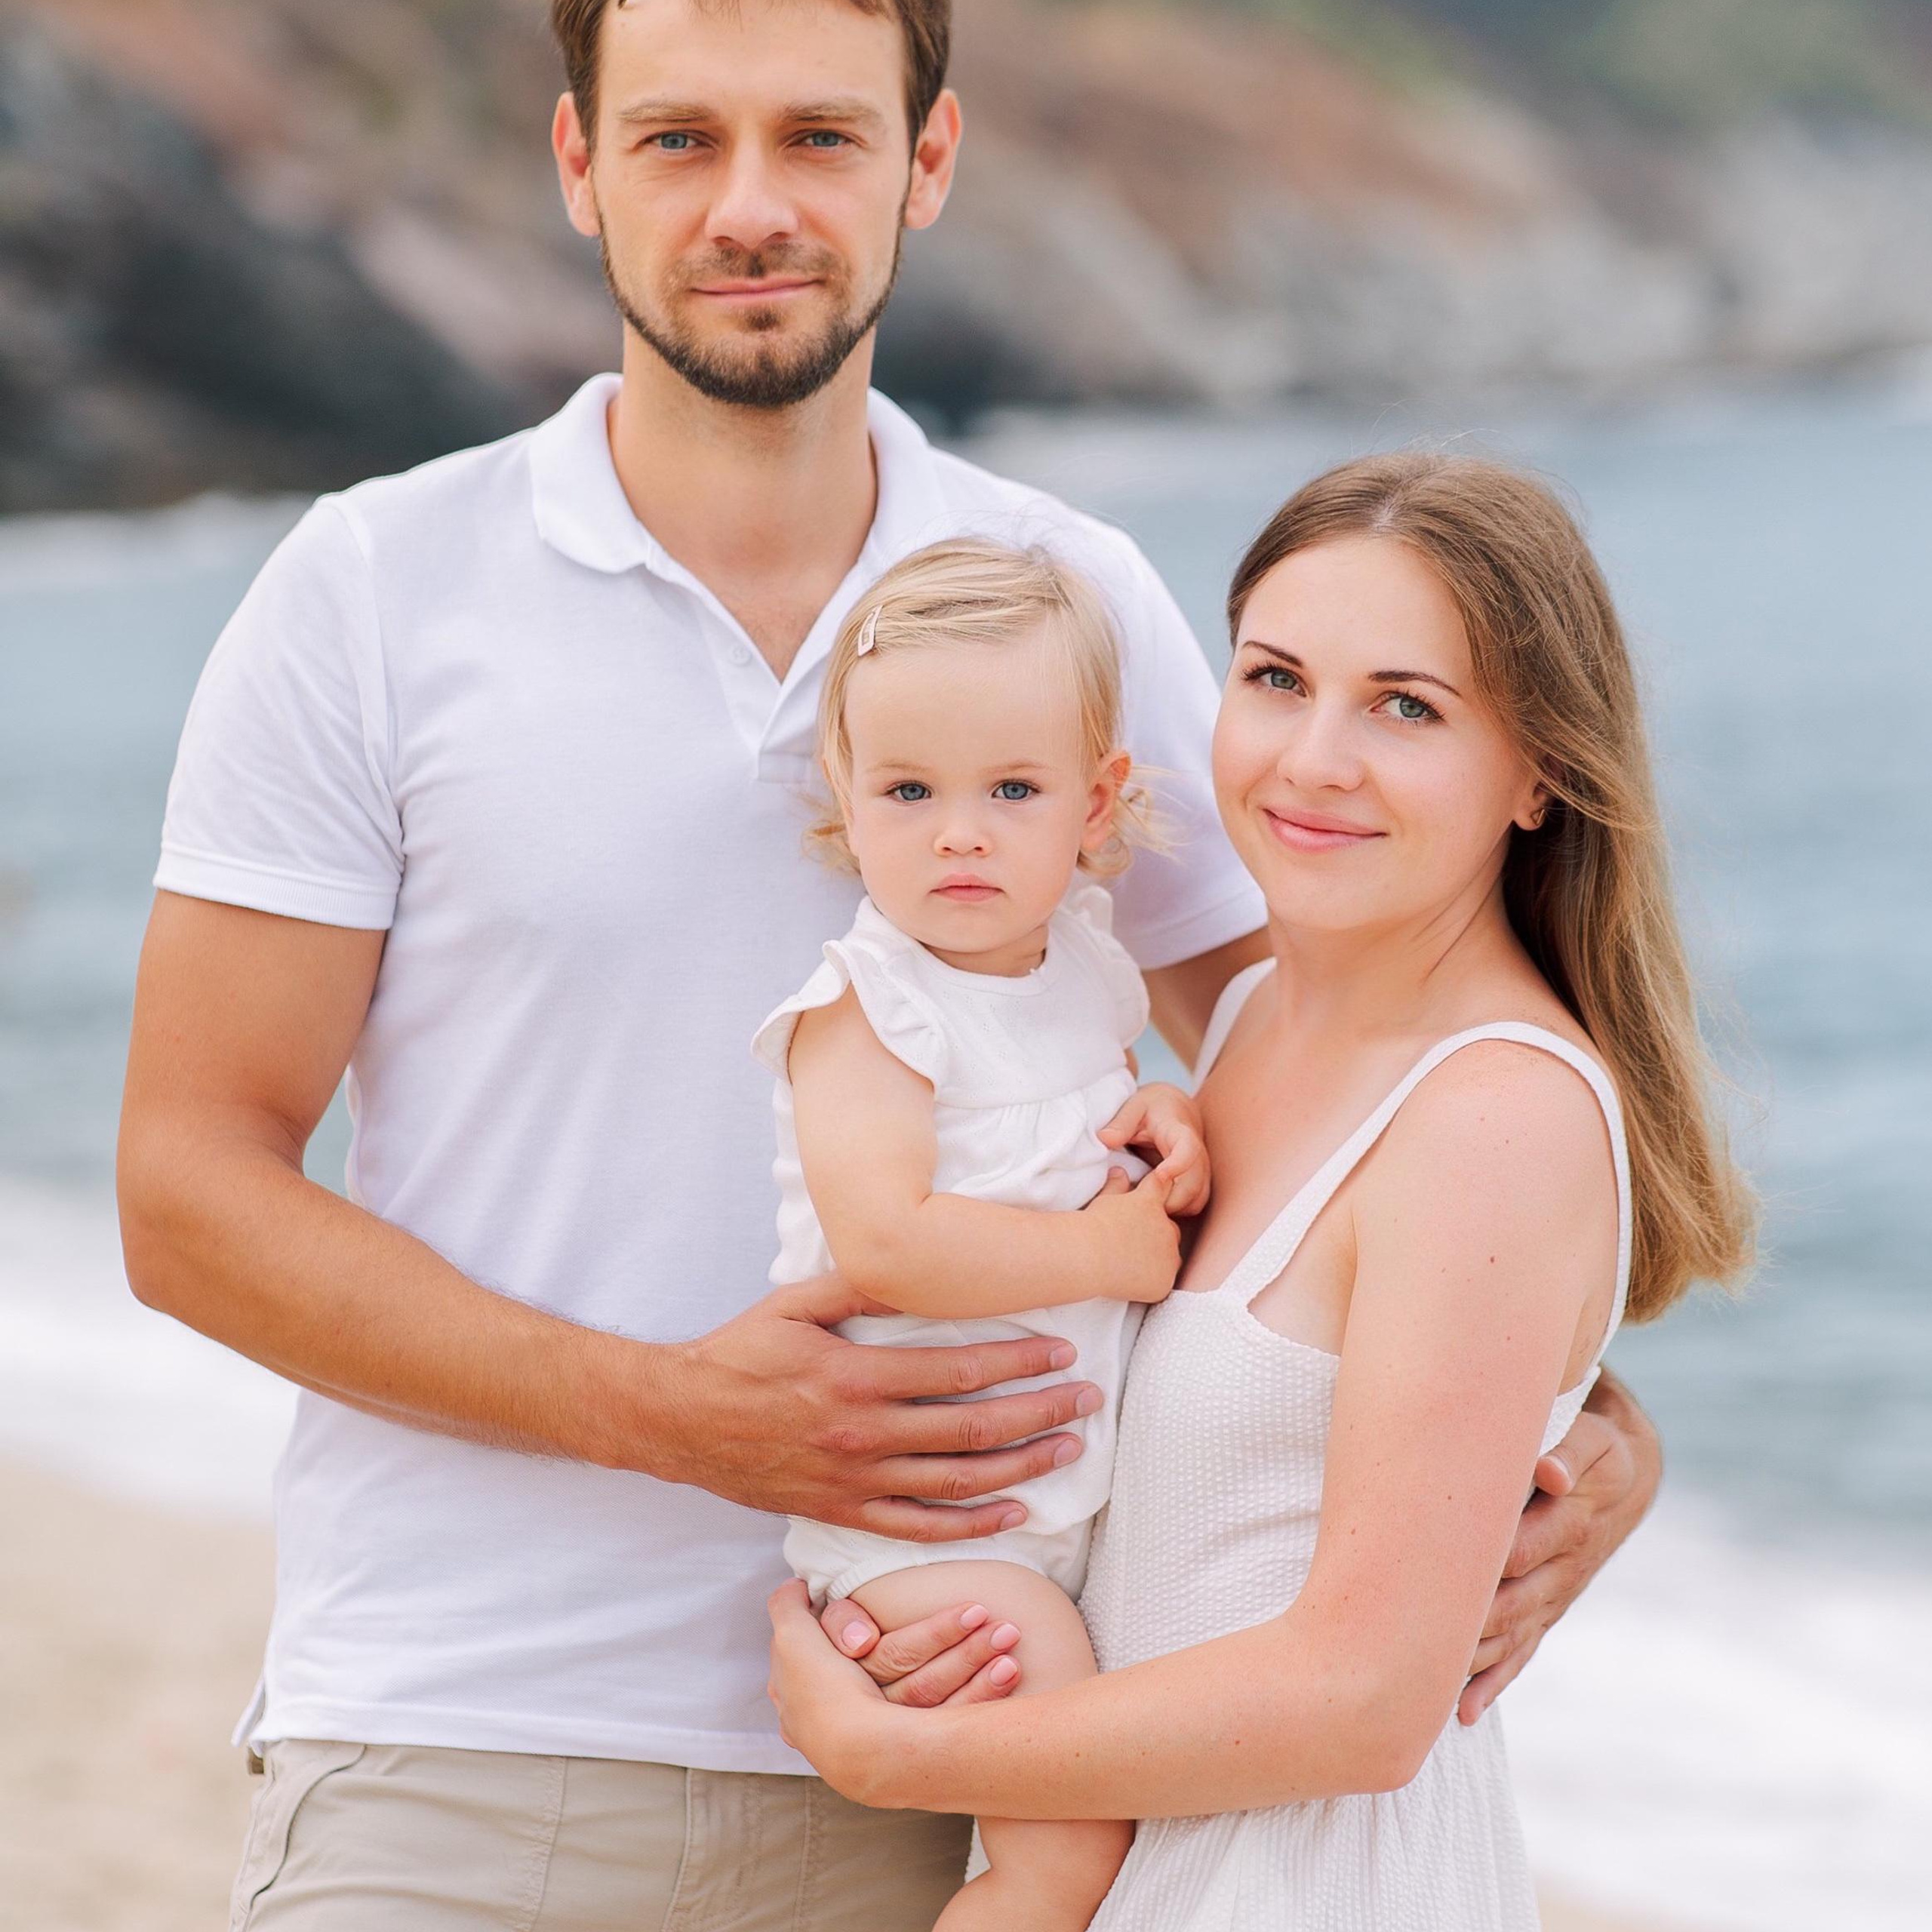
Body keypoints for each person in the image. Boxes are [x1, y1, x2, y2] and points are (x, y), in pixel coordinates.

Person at [114, 0, 1661, 1923]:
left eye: (822, 138)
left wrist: (1589, 1431)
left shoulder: (1068, 599)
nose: (750, 206)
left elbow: (1357, 1106)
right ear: (577, 163)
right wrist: (662, 1410)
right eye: (678, 139)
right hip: (457, 1737)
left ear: (926, 164)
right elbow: (187, 1195)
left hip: (967, 1749)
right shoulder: (366, 590)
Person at [768, 452, 1756, 1929]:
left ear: (1539, 768)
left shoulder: (1496, 1115)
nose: (1310, 757)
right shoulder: (1230, 1034)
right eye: (1275, 678)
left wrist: (900, 1752)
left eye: (1404, 706)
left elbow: (1365, 1698)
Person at [757, 538, 1211, 1927]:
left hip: (1057, 1514)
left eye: (1012, 790)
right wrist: (1109, 1258)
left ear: (1099, 802)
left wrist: (1163, 1111)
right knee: (1062, 1865)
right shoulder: (867, 1011)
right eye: (910, 790)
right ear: (846, 795)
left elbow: (1083, 1124)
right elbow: (890, 1243)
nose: (961, 832)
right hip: (930, 1539)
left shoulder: (1082, 964)